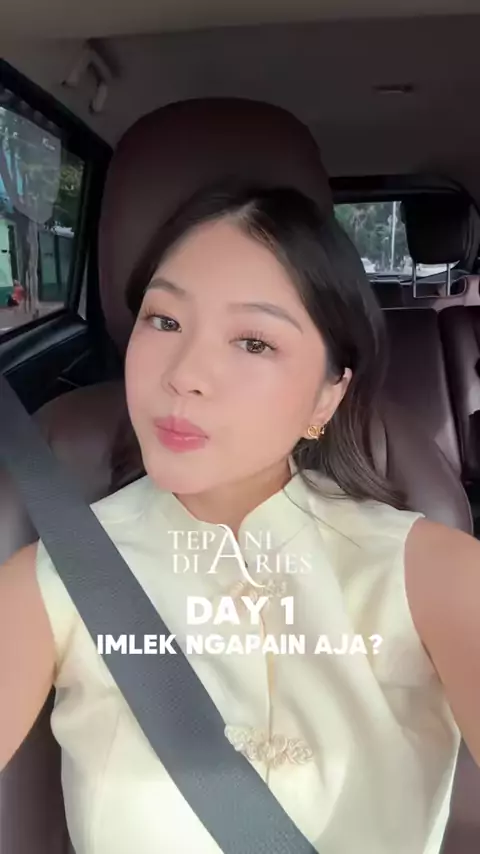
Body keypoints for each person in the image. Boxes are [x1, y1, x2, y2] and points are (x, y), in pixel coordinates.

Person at [0, 182, 479, 854]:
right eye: (165, 321)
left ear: (328, 395)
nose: (184, 374)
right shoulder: (53, 578)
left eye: (254, 342)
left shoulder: (436, 574)